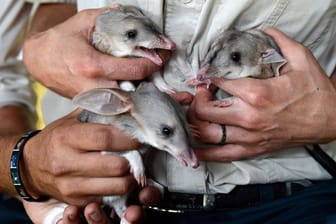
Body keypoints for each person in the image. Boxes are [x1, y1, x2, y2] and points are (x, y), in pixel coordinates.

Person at [22, 0, 336, 223]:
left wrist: (330, 114)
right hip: (98, 193)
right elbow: (53, 7)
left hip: (296, 197)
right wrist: (37, 48)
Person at [0, 1, 163, 223]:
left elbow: (4, 81)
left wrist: (25, 168)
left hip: (72, 186)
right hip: (66, 190)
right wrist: (22, 169)